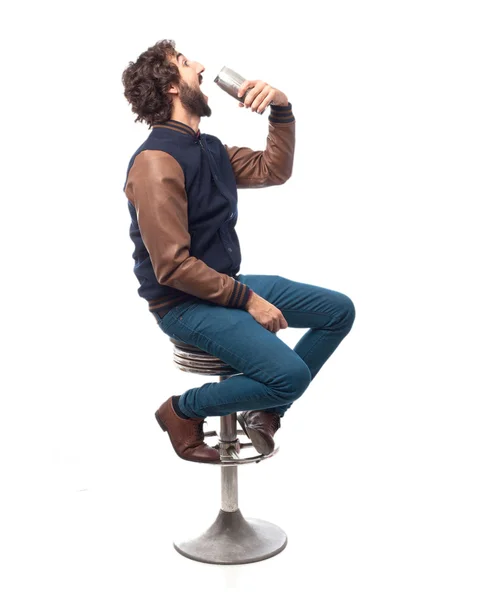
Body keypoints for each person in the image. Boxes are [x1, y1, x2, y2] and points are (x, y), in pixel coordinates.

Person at [121, 39, 355, 464]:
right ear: (171, 86)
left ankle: (266, 410)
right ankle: (181, 411)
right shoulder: (156, 162)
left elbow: (273, 169)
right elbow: (172, 266)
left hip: (222, 287)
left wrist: (280, 109)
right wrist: (249, 301)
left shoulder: (207, 148)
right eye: (186, 63)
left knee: (338, 310)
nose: (201, 66)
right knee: (289, 374)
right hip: (183, 305)